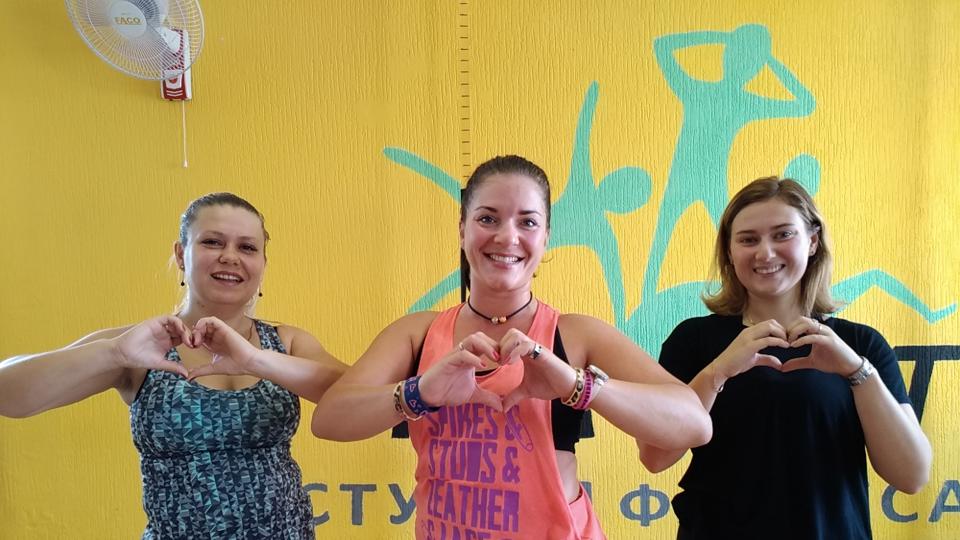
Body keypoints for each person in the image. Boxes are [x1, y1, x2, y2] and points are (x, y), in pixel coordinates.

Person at [312, 155, 712, 539]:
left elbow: (694, 424)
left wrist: (576, 385)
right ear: (462, 229)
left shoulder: (576, 334)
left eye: (528, 222)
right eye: (487, 218)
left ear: (546, 237)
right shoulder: (418, 333)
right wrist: (420, 393)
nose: (507, 236)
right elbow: (330, 419)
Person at [0, 192, 347, 539]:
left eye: (247, 247)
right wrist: (113, 353)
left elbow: (359, 399)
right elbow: (8, 393)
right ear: (181, 254)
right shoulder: (137, 347)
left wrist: (257, 360)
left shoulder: (285, 342)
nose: (230, 257)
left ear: (263, 264)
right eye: (213, 242)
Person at [639, 177, 932, 539]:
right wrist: (718, 371)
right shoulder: (693, 340)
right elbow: (655, 457)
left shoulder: (861, 344)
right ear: (729, 251)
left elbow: (912, 476)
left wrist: (857, 372)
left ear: (812, 241)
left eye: (783, 235)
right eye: (748, 239)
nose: (765, 253)